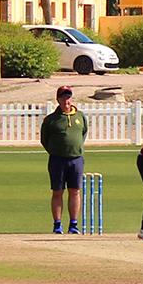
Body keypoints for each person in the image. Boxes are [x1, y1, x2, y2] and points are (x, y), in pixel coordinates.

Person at [40, 85, 89, 234]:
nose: (66, 100)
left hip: (76, 159)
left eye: (68, 97)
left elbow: (83, 134)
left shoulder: (80, 116)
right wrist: (56, 151)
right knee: (58, 192)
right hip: (57, 160)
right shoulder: (51, 120)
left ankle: (73, 224)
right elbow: (44, 140)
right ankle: (57, 224)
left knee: (75, 191)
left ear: (72, 99)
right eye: (63, 97)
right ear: (58, 100)